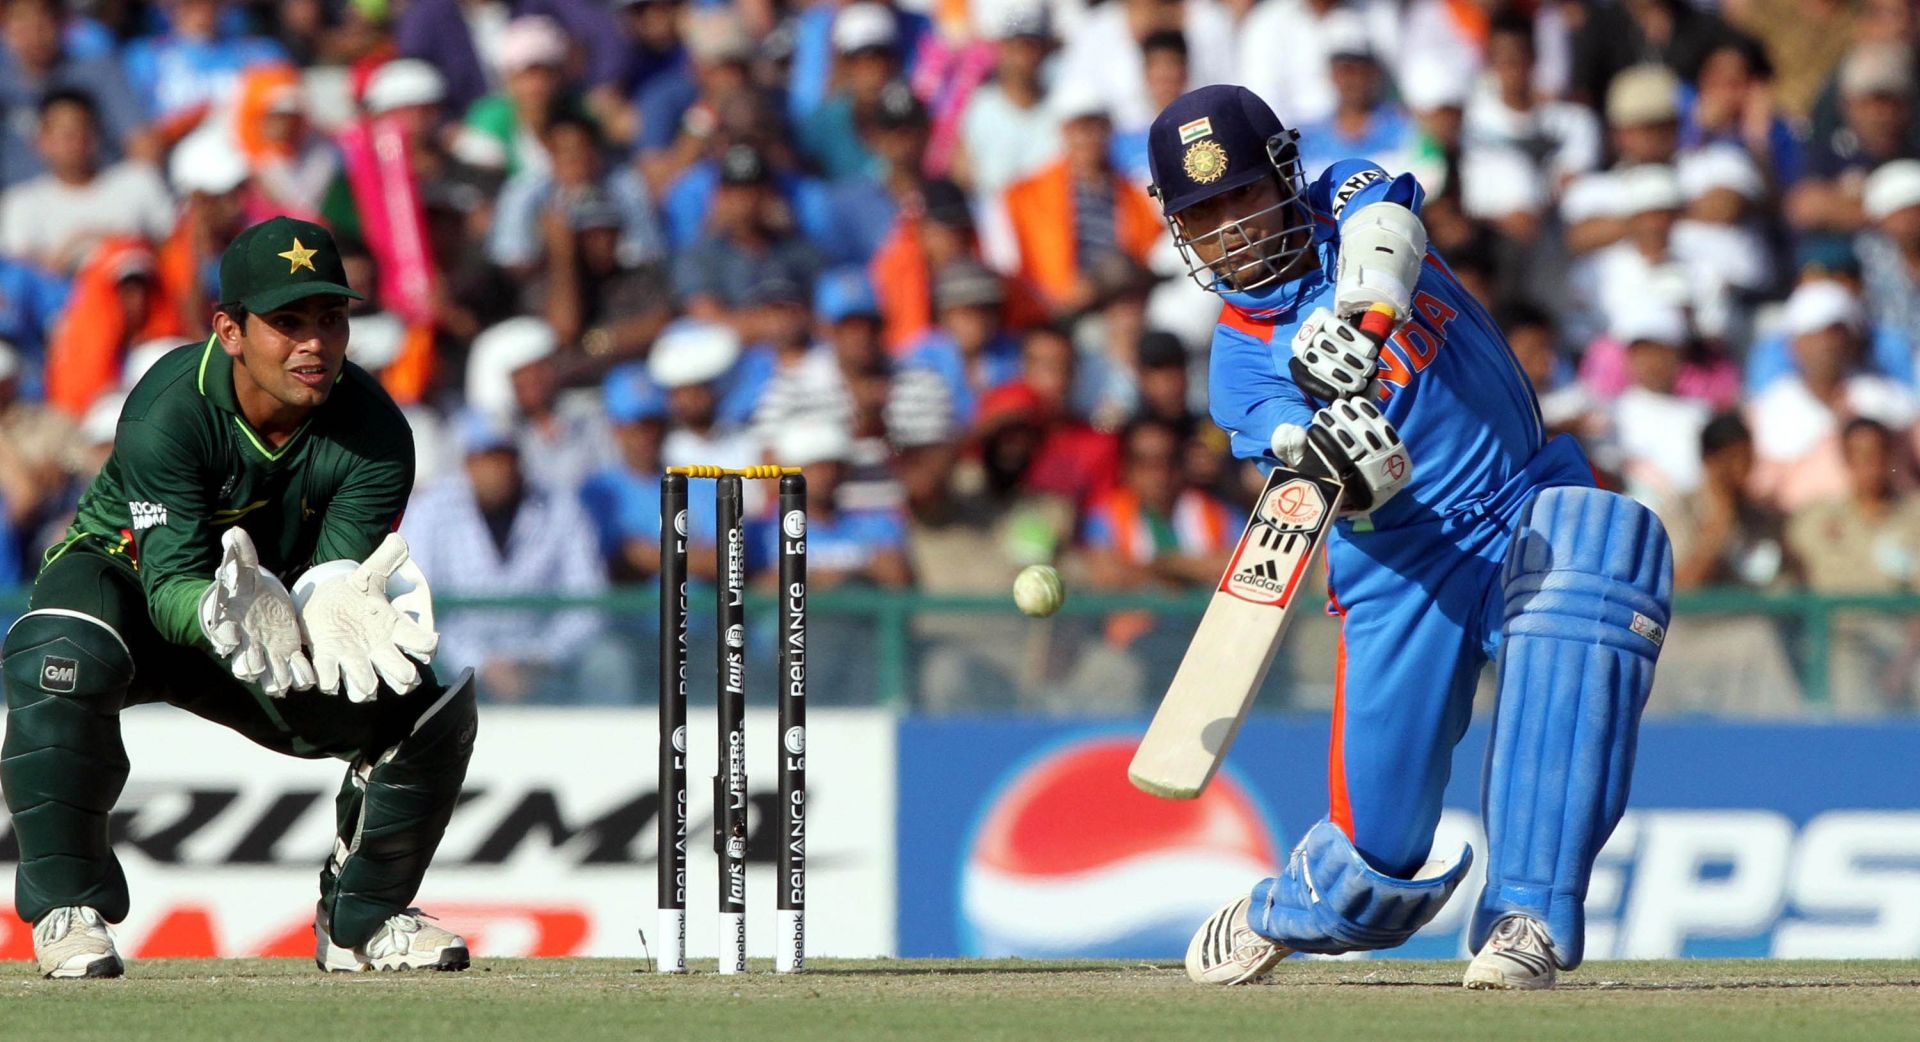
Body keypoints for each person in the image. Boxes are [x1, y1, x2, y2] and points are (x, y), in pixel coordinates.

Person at [1153, 85, 1672, 990]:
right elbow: (1294, 457)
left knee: (1599, 555)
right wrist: (1329, 448)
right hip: (1399, 571)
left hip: (1523, 501)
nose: (1230, 229)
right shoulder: (1237, 365)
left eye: (1240, 195)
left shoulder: (1346, 191)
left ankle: (1524, 921)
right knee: (1377, 861)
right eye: (1204, 216)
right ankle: (1299, 904)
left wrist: (1364, 324)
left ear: (1284, 174)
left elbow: (1386, 235)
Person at [1, 217, 474, 978]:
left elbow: (336, 580)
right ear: (229, 330)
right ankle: (67, 909)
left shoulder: (377, 433)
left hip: (272, 622)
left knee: (424, 715)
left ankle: (364, 918)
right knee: (57, 652)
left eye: (331, 318)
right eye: (287, 322)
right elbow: (168, 586)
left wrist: (323, 607)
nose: (314, 342)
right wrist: (224, 614)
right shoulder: (170, 410)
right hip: (130, 589)